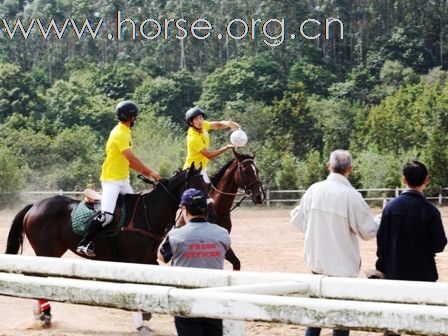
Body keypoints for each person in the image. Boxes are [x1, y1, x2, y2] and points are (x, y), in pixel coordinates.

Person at [290, 149, 379, 336]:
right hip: (343, 269)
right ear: (350, 169)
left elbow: (297, 221)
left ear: (328, 166)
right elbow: (368, 232)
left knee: (314, 319)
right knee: (340, 321)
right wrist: (380, 219)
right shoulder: (352, 196)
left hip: (317, 265)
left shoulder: (314, 190)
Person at [77, 100, 161, 257]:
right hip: (111, 180)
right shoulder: (120, 133)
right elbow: (133, 159)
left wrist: (145, 173)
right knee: (107, 216)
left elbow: (130, 163)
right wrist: (151, 173)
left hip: (123, 180)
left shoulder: (125, 131)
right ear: (132, 117)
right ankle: (84, 243)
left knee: (134, 210)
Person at [158, 188, 231, 336]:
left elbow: (161, 256)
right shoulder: (222, 233)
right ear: (206, 209)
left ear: (184, 210)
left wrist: (178, 225)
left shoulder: (175, 235)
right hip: (215, 298)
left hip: (186, 301)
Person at [376, 160, 447, 282]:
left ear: (403, 180)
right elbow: (439, 245)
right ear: (426, 180)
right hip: (423, 275)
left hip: (394, 273)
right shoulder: (430, 211)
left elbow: (381, 242)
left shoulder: (389, 208)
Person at [183, 106, 240, 184]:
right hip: (192, 171)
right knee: (208, 193)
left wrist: (229, 124)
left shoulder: (202, 125)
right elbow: (209, 155)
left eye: (200, 118)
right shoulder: (193, 138)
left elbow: (218, 125)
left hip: (201, 169)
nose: (200, 121)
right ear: (190, 122)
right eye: (196, 119)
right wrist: (226, 148)